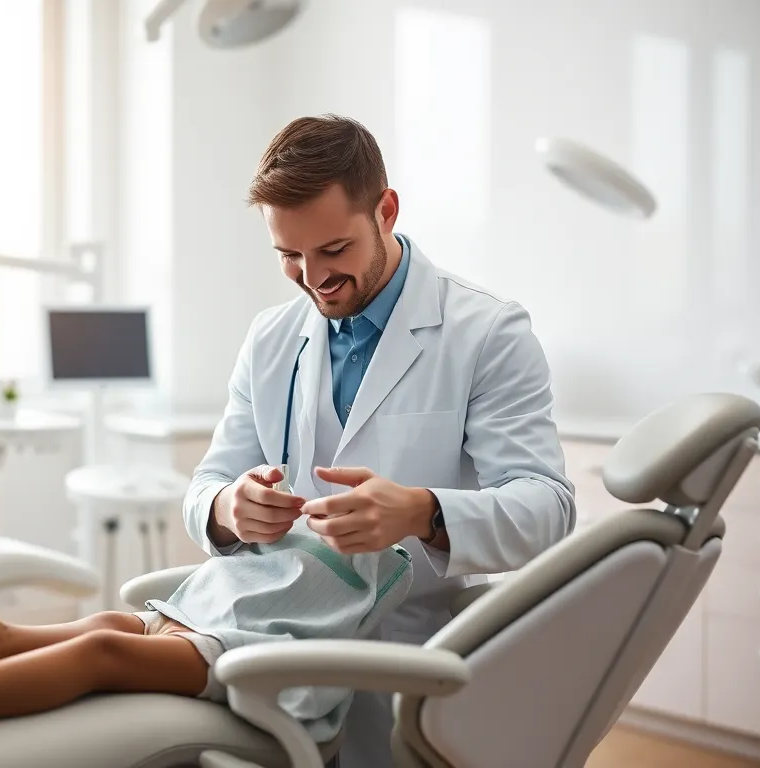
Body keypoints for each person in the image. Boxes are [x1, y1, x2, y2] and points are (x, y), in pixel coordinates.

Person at [184, 113, 576, 766]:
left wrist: (423, 511)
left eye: (333, 251)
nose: (313, 278)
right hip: (279, 638)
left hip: (408, 659)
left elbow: (548, 507)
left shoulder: (487, 333)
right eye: (289, 256)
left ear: (385, 211)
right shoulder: (271, 338)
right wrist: (231, 508)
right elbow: (205, 486)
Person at [0, 528, 414, 755]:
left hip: (243, 652)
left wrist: (404, 521)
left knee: (103, 654)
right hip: (196, 615)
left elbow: (337, 607)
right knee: (107, 626)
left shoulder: (394, 553)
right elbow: (217, 508)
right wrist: (237, 504)